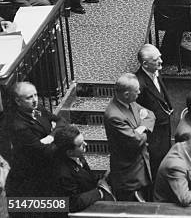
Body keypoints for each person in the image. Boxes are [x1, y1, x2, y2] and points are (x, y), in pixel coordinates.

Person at [5, 82, 65, 198]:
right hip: (33, 174)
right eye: (29, 97)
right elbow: (43, 150)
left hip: (48, 165)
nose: (35, 100)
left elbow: (61, 121)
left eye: (36, 95)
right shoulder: (19, 126)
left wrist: (51, 136)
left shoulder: (38, 109)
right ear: (18, 101)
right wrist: (60, 137)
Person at [104, 73, 156, 201]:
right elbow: (135, 141)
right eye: (136, 91)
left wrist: (141, 128)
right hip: (128, 176)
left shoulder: (130, 102)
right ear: (126, 94)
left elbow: (150, 115)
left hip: (142, 166)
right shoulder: (114, 115)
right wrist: (141, 130)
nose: (139, 92)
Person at [53, 124, 115, 212]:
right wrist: (99, 192)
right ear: (70, 152)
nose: (86, 144)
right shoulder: (63, 173)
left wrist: (103, 179)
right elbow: (72, 203)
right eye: (80, 145)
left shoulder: (77, 155)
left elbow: (87, 178)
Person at [134, 44, 173, 179]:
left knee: (166, 157)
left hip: (164, 125)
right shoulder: (139, 83)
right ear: (145, 64)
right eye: (156, 60)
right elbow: (138, 112)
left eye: (160, 57)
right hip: (153, 132)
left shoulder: (155, 71)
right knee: (157, 163)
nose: (161, 61)